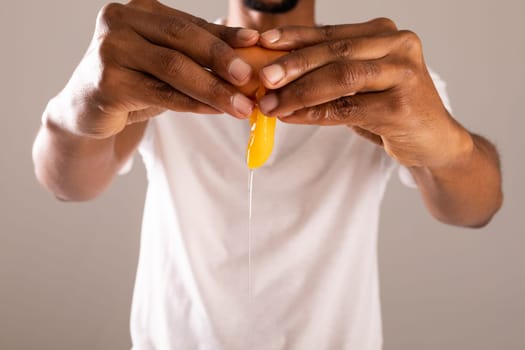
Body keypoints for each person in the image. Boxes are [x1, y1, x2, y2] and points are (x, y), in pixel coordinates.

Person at [32, 0, 503, 349]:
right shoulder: (156, 61)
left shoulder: (385, 80)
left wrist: (446, 145)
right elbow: (71, 183)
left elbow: (475, 206)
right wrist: (74, 111)